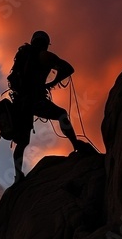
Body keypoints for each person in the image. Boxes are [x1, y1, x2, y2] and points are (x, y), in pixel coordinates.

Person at [10, 30, 94, 183]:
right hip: (35, 100)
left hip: (20, 103)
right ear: (45, 43)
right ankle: (76, 145)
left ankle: (18, 176)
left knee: (22, 143)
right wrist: (52, 83)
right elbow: (68, 68)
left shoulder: (22, 56)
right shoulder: (43, 55)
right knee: (61, 114)